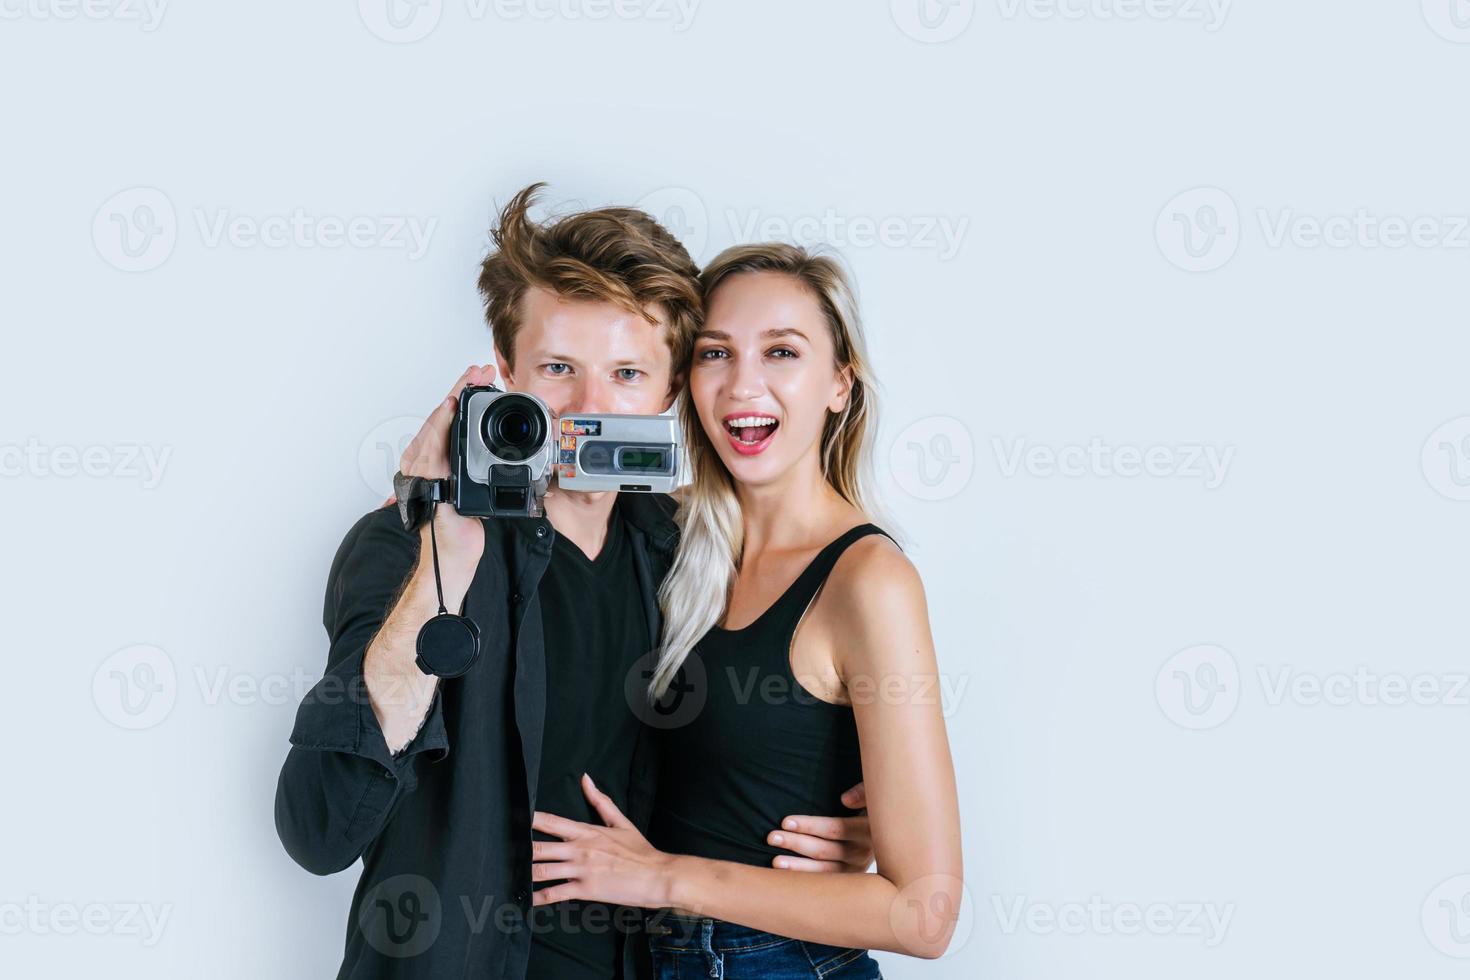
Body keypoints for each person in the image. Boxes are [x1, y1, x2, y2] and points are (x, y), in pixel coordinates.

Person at [274, 190, 873, 980]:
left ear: (671, 392)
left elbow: (740, 762)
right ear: (505, 369)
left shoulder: (696, 559)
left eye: (627, 373)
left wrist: (829, 834)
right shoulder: (402, 546)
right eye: (559, 370)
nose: (589, 408)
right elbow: (317, 830)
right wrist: (442, 556)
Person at [530, 244, 964, 978]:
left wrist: (662, 876)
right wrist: (430, 506)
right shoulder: (663, 539)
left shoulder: (868, 581)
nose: (742, 385)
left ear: (840, 384)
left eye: (783, 352)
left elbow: (926, 914)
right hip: (649, 958)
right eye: (715, 353)